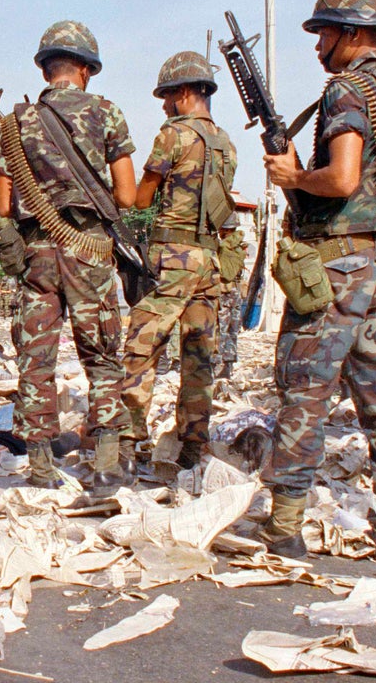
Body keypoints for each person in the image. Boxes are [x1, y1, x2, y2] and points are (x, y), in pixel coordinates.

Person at [258, 0, 376, 564]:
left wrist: (293, 179)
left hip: (334, 265)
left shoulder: (347, 90)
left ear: (353, 31)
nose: (317, 46)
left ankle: (285, 527)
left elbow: (342, 178)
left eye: (324, 33)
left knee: (305, 392)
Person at [0, 20, 136, 491]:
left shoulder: (18, 122)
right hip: (89, 250)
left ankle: (39, 464)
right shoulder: (107, 113)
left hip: (37, 251)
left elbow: (3, 200)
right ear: (86, 69)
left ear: (46, 69)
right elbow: (128, 195)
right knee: (103, 354)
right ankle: (107, 461)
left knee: (37, 356)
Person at [121, 51, 236, 470]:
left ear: (184, 92)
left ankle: (130, 438)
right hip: (210, 258)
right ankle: (192, 446)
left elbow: (141, 198)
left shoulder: (173, 135)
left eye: (168, 97)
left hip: (174, 254)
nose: (165, 106)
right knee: (198, 353)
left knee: (143, 343)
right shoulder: (226, 142)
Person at [214, 213, 247, 379]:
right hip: (235, 292)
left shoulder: (223, 247)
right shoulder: (239, 246)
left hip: (224, 292)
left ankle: (218, 366)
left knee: (220, 329)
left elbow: (223, 273)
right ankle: (228, 365)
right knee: (233, 329)